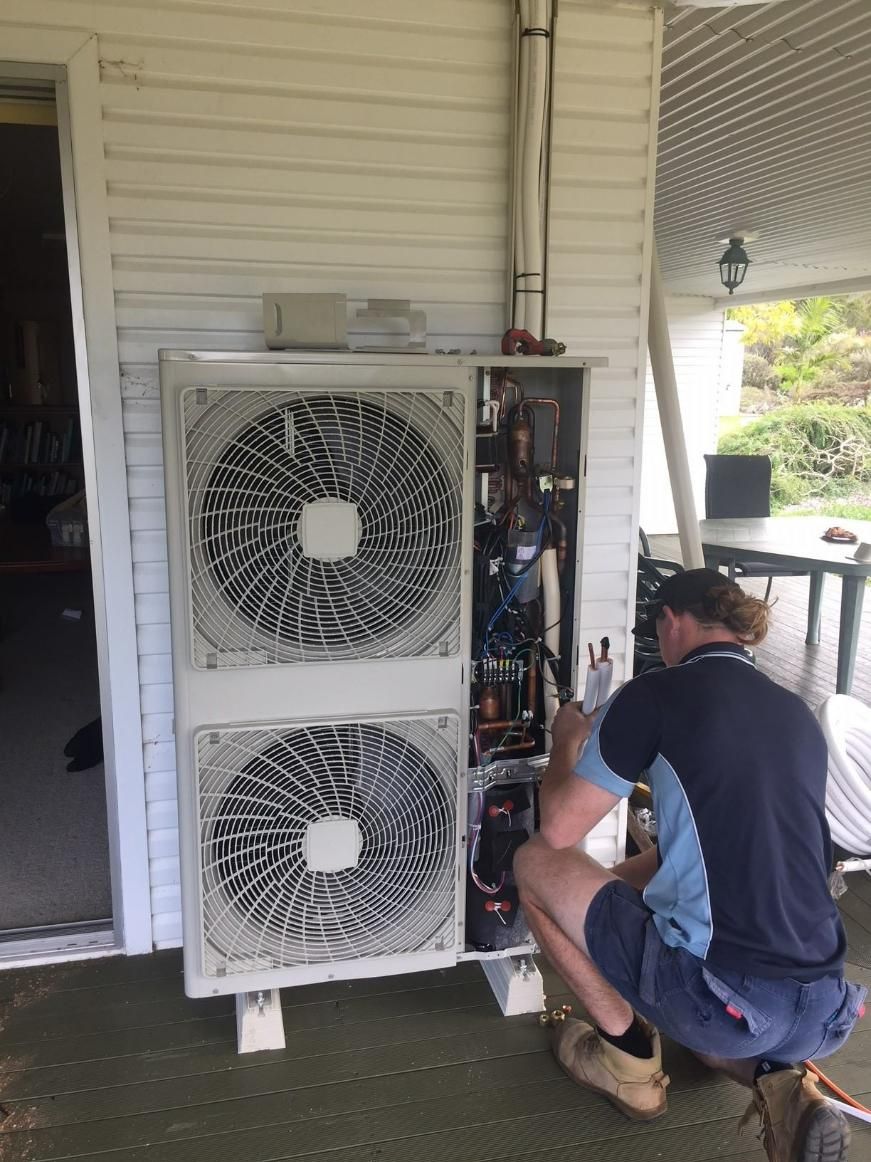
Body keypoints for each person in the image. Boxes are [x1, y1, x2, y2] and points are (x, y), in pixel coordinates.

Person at [514, 568, 865, 1162]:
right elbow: (710, 851)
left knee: (533, 862)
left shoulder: (656, 694)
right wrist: (604, 892)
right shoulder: (793, 711)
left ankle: (625, 1061)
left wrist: (567, 742)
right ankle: (786, 1091)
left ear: (671, 622)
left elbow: (559, 829)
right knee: (715, 1032)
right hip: (824, 1011)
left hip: (721, 998)